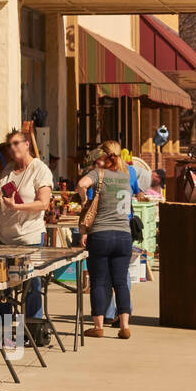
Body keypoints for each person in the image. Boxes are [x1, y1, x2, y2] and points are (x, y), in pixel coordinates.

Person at [0, 128, 54, 344]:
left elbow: (43, 204)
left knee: (32, 284)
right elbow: (4, 199)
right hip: (5, 236)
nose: (13, 148)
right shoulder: (8, 170)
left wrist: (17, 205)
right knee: (3, 285)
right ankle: (4, 332)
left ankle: (32, 330)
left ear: (27, 144)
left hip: (30, 237)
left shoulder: (40, 170)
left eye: (17, 143)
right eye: (10, 145)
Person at [77, 140, 134, 339]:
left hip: (100, 234)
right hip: (123, 235)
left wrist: (84, 200)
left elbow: (81, 185)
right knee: (120, 281)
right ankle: (124, 326)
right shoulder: (125, 177)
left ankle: (98, 326)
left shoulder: (98, 174)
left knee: (99, 281)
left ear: (103, 156)